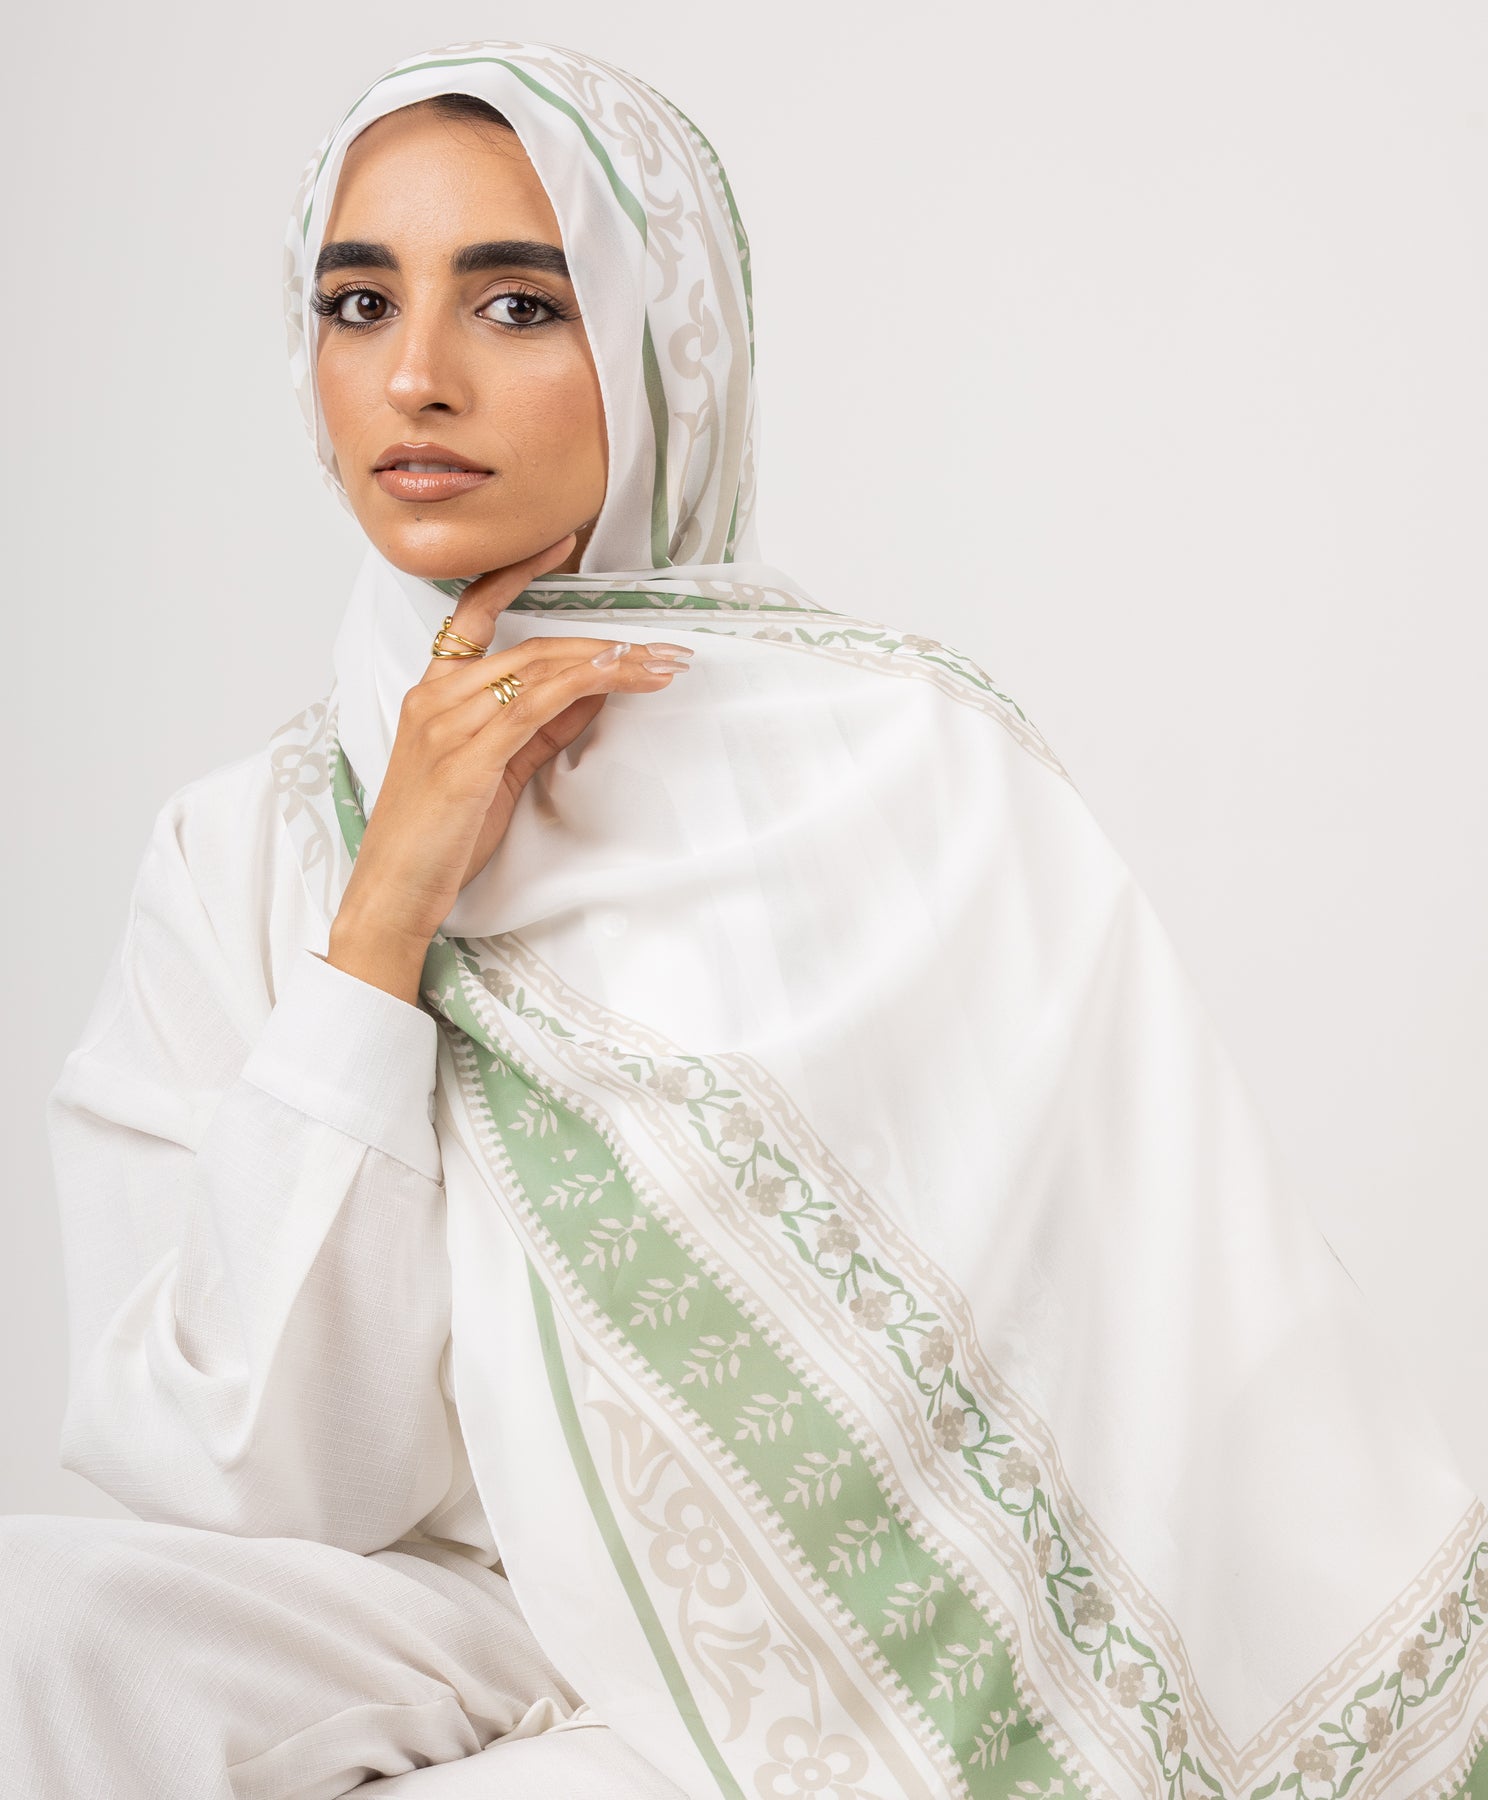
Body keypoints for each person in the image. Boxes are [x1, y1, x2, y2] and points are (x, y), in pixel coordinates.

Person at [7, 35, 1485, 1800]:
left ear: (662, 350)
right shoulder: (241, 845)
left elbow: (1151, 1345)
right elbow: (250, 1479)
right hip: (448, 1614)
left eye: (517, 304)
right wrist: (383, 916)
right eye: (357, 302)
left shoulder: (901, 764)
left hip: (824, 1653)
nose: (412, 377)